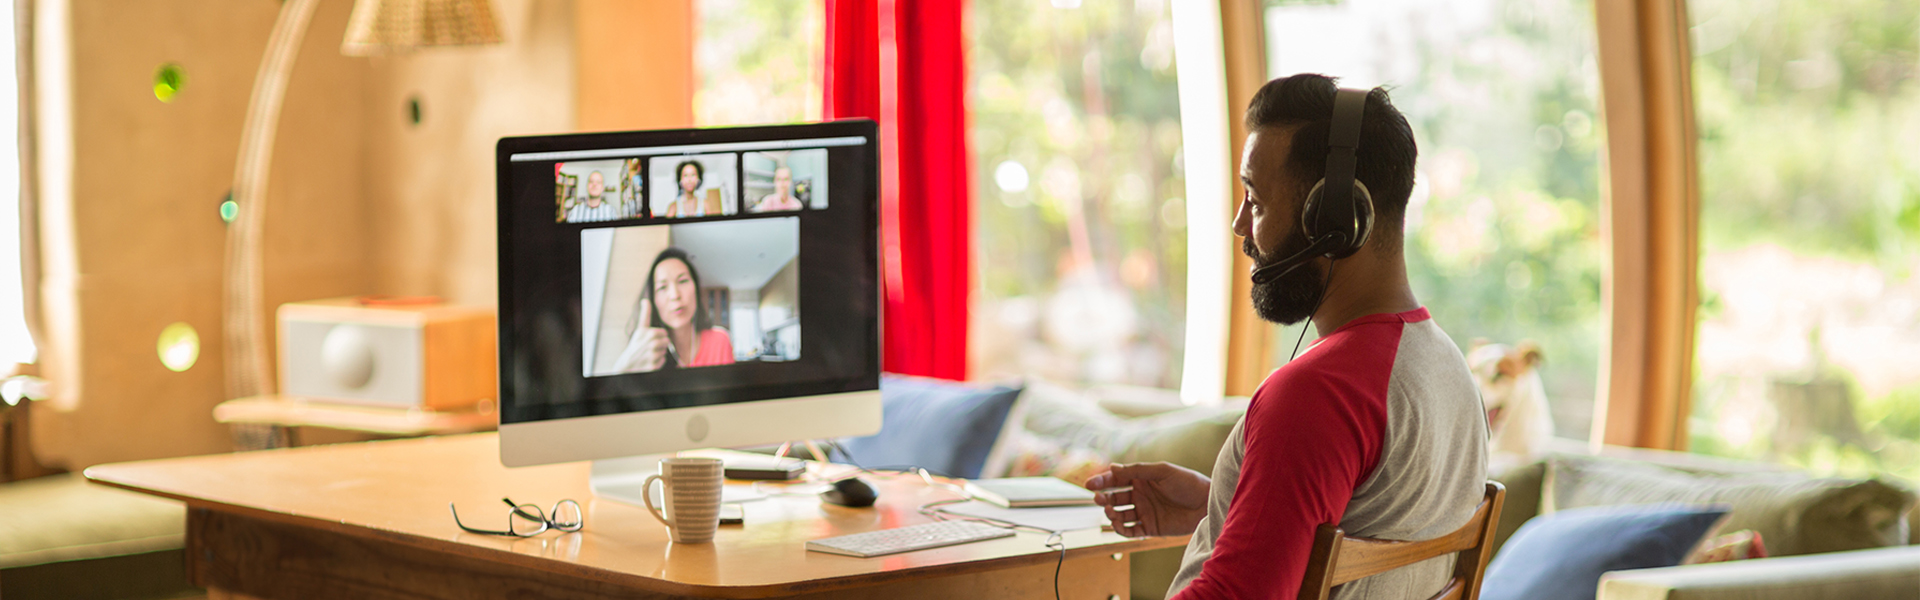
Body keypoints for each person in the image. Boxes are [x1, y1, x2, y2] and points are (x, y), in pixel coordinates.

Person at [1084, 75, 1487, 599]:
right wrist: (1231, 509)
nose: (1239, 225)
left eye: (1255, 198)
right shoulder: (1449, 370)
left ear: (1335, 220)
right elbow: (1373, 545)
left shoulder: (1321, 392)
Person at [613, 247, 735, 372]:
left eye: (682, 281)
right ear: (653, 300)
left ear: (696, 290)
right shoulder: (647, 354)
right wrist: (623, 370)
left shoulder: (720, 340)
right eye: (662, 287)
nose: (675, 295)